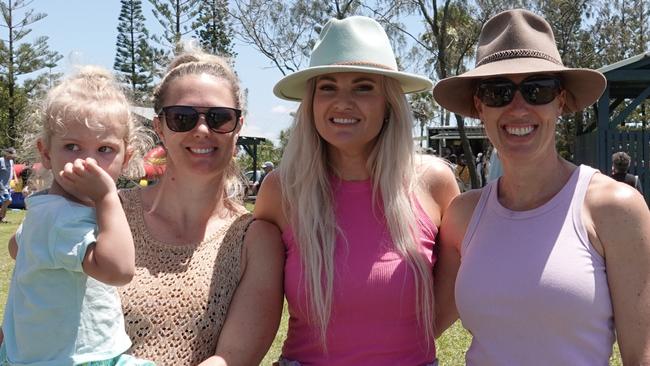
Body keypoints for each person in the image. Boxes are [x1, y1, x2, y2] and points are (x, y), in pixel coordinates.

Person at [432, 9, 650, 365]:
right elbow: (420, 325)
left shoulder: (614, 208)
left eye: (538, 89)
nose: (519, 108)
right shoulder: (463, 215)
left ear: (560, 101)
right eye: (498, 91)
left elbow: (641, 356)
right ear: (479, 105)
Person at [255, 16, 459, 365]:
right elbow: (256, 302)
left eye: (363, 87)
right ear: (311, 104)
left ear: (388, 103)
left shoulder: (434, 182)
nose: (343, 102)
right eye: (327, 87)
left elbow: (451, 295)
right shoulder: (281, 191)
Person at [118, 49, 284, 366]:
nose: (202, 130)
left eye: (220, 118)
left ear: (237, 127)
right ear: (160, 127)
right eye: (183, 117)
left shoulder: (256, 241)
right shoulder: (110, 214)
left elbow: (231, 359)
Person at [0, 67, 154, 365]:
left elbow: (16, 248)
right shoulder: (64, 216)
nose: (88, 162)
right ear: (46, 154)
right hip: (78, 358)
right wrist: (108, 197)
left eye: (105, 149)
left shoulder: (45, 209)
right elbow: (119, 271)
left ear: (127, 157)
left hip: (44, 353)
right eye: (72, 147)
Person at [0, 148, 16, 222]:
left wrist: (15, 177)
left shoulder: (11, 161)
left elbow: (13, 169)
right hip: (1, 185)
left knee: (6, 201)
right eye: (12, 154)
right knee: (8, 200)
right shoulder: (1, 160)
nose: (14, 156)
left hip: (8, 185)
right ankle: (2, 217)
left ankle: (2, 217)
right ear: (7, 154)